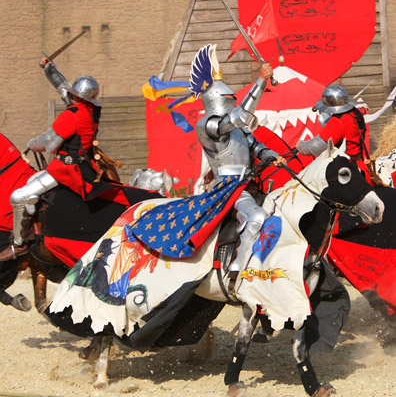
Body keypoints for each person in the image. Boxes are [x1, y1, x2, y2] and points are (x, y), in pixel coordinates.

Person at [131, 44, 285, 283]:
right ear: (216, 100)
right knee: (257, 217)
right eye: (228, 99)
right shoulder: (207, 125)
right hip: (227, 187)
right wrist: (260, 82)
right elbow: (240, 117)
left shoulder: (238, 129)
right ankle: (237, 269)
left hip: (249, 182)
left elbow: (256, 146)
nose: (232, 101)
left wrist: (272, 156)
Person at [0, 58, 151, 261]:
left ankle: (19, 243)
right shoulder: (89, 111)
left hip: (67, 169)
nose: (67, 96)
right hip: (78, 164)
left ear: (76, 96)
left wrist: (30, 143)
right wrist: (49, 69)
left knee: (19, 196)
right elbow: (63, 88)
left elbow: (48, 143)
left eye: (71, 94)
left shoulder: (72, 115)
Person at [297, 84, 370, 177]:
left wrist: (300, 146)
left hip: (346, 170)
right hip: (360, 164)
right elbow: (342, 132)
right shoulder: (355, 113)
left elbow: (316, 147)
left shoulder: (338, 121)